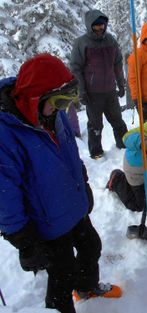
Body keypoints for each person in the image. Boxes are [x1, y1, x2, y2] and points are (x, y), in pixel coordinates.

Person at [0, 54, 121, 313]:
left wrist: (84, 183)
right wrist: (23, 238)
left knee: (91, 247)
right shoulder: (6, 134)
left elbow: (70, 155)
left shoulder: (53, 115)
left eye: (68, 100)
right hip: (45, 223)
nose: (64, 107)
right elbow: (4, 192)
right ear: (35, 97)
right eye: (59, 101)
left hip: (71, 206)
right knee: (62, 275)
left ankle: (86, 288)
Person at [70, 9, 128, 159]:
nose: (100, 29)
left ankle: (124, 146)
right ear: (90, 26)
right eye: (96, 26)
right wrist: (82, 91)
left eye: (102, 25)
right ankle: (96, 153)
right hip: (92, 94)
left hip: (110, 91)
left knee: (118, 121)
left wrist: (121, 84)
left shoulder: (111, 40)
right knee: (95, 125)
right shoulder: (81, 43)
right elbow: (76, 69)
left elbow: (118, 63)